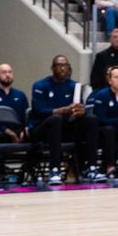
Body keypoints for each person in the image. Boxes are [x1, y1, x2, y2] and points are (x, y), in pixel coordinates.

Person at [30, 55, 99, 185]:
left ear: (68, 68)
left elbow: (78, 109)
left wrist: (80, 112)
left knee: (91, 119)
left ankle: (91, 168)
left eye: (65, 65)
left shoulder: (74, 86)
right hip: (42, 129)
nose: (62, 68)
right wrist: (64, 110)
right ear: (52, 68)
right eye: (59, 65)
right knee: (56, 119)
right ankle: (54, 170)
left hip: (64, 128)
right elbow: (38, 112)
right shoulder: (40, 85)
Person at [0, 63, 29, 144]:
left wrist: (25, 129)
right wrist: (10, 133)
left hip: (18, 129)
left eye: (10, 72)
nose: (7, 75)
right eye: (4, 72)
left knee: (32, 133)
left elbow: (27, 117)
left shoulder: (20, 95)